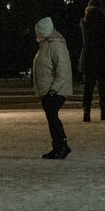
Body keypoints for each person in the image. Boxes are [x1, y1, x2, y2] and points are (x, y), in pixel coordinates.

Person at [33, 16, 72, 159]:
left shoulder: (56, 45)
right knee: (51, 117)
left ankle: (61, 146)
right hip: (48, 90)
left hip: (55, 90)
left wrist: (54, 89)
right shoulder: (47, 45)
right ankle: (58, 146)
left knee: (53, 117)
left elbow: (63, 69)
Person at [78, 0, 105, 122]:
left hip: (88, 56)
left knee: (88, 86)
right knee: (103, 86)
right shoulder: (104, 21)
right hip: (101, 56)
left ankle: (86, 112)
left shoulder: (84, 22)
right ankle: (104, 112)